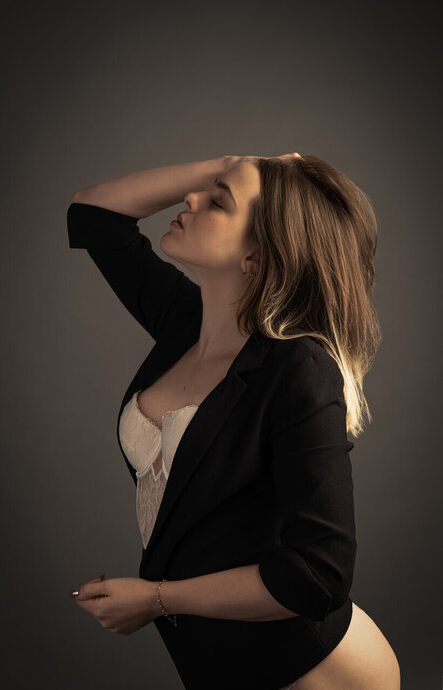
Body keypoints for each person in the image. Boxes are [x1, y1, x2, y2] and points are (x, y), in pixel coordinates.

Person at [66, 153, 401, 689]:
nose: (190, 198)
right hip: (219, 666)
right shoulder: (185, 322)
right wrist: (228, 165)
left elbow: (318, 575)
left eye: (217, 201)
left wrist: (156, 598)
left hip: (314, 672)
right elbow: (93, 215)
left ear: (256, 254)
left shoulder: (298, 370)